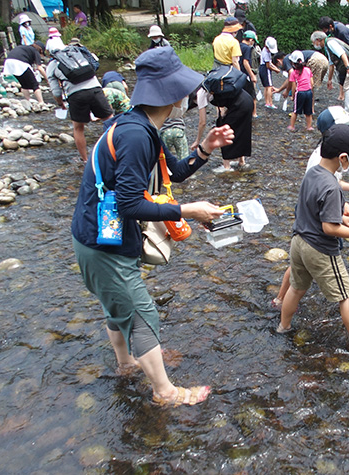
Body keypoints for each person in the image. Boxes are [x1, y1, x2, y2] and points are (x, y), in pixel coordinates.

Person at [71, 47, 234, 406]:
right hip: (103, 246)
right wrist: (188, 210)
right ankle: (166, 392)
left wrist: (205, 148)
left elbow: (172, 172)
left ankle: (127, 363)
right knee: (142, 313)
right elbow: (130, 204)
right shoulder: (134, 135)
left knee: (119, 306)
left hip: (97, 238)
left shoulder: (140, 125)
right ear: (173, 93)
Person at [277, 124, 349, 348]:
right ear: (342, 158)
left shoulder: (312, 172)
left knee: (297, 288)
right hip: (319, 249)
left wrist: (343, 219)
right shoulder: (332, 187)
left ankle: (283, 327)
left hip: (298, 242)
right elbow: (329, 229)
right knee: (346, 295)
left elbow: (314, 209)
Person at [272, 106, 349, 309]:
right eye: (346, 127)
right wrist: (343, 212)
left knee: (300, 269)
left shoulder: (327, 155)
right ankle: (280, 298)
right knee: (304, 265)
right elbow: (324, 193)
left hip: (307, 224)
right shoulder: (319, 160)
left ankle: (282, 303)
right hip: (315, 224)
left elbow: (328, 184)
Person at [47, 42, 113, 162]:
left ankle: (85, 160)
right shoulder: (76, 53)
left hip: (76, 95)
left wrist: (60, 103)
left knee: (78, 128)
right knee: (110, 120)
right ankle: (116, 151)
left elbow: (56, 92)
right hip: (95, 89)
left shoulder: (52, 64)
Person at [191, 78, 252, 172]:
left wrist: (197, 140)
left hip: (239, 105)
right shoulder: (211, 84)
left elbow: (202, 122)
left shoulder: (200, 94)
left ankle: (226, 166)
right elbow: (221, 104)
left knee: (223, 131)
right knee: (242, 129)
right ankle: (241, 161)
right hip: (248, 100)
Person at [311, 31, 349, 115]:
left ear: (318, 40)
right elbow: (331, 64)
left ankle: (348, 111)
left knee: (348, 87)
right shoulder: (327, 45)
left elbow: (342, 54)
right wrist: (329, 80)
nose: (314, 44)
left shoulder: (330, 43)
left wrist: (348, 67)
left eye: (314, 42)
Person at [317, 16, 349, 105]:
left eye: (324, 29)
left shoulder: (342, 31)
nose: (324, 31)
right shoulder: (332, 30)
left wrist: (347, 64)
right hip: (342, 53)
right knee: (341, 71)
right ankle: (341, 95)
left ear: (330, 26)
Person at [286, 51, 314, 132]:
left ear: (293, 63)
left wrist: (293, 95)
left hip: (300, 93)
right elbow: (311, 83)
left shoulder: (293, 73)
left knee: (295, 111)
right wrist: (310, 91)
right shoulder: (308, 70)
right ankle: (309, 127)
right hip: (309, 92)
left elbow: (294, 86)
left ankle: (291, 126)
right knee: (308, 112)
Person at [239, 30, 259, 118]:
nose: (253, 43)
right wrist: (252, 75)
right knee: (252, 95)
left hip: (238, 74)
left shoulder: (238, 46)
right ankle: (253, 113)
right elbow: (245, 62)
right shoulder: (247, 48)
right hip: (246, 75)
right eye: (253, 41)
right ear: (250, 40)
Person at [259, 36, 280, 109]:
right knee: (269, 87)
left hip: (262, 68)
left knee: (266, 87)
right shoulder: (266, 53)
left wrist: (275, 68)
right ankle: (270, 103)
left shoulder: (264, 50)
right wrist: (275, 70)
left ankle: (267, 102)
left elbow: (270, 63)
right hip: (265, 69)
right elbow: (268, 65)